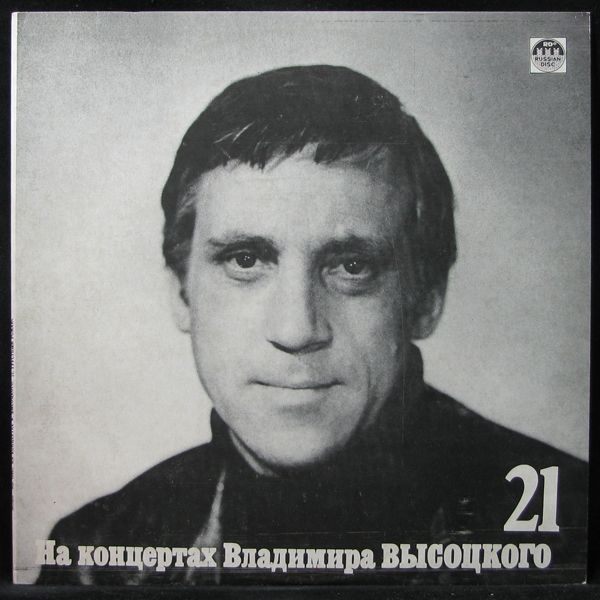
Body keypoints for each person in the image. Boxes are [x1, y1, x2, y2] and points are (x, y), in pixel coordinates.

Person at [37, 65, 587, 586]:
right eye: (246, 260)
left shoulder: (576, 530)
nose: (297, 330)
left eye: (352, 267)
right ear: (182, 293)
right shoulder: (96, 553)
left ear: (426, 299)